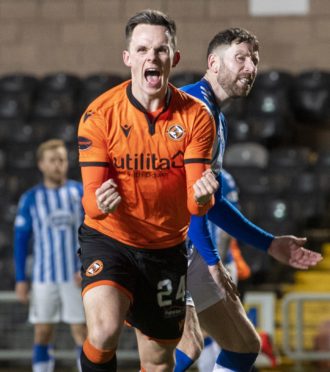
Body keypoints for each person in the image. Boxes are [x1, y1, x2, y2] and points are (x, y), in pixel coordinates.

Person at [77, 9, 219, 372]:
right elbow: (91, 203)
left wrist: (203, 198)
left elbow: (196, 203)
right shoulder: (99, 115)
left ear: (174, 58)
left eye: (160, 50)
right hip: (110, 238)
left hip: (166, 250)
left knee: (157, 362)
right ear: (128, 58)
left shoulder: (197, 118)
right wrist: (99, 203)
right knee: (104, 331)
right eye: (142, 50)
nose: (151, 58)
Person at [173, 27, 323, 372]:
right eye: (240, 57)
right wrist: (212, 260)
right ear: (212, 63)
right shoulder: (192, 108)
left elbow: (213, 202)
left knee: (243, 346)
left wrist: (269, 244)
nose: (250, 67)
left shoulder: (217, 117)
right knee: (187, 346)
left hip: (188, 247)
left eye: (254, 59)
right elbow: (189, 195)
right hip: (159, 244)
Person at [14, 139, 86, 372]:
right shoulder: (31, 199)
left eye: (62, 160)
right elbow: (20, 242)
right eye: (53, 160)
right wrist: (21, 279)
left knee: (82, 333)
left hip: (75, 275)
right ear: (41, 164)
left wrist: (86, 266)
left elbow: (95, 234)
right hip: (44, 277)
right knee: (43, 332)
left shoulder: (79, 193)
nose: (58, 165)